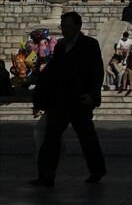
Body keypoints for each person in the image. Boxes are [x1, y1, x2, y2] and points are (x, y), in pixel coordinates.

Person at [29, 11, 106, 187]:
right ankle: (46, 176)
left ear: (77, 26)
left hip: (80, 100)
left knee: (87, 138)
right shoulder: (61, 46)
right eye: (62, 27)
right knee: (51, 138)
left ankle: (97, 170)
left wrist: (93, 94)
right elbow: (54, 70)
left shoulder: (89, 44)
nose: (64, 30)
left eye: (67, 27)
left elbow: (96, 71)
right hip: (60, 101)